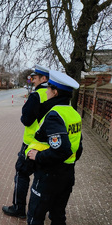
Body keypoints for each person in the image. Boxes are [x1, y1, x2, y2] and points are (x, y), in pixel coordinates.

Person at [25, 70, 83, 225]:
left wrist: (38, 156)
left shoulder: (54, 115)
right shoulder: (73, 113)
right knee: (58, 216)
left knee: (35, 215)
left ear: (55, 92)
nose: (47, 91)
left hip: (49, 175)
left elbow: (61, 150)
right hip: (67, 174)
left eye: (49, 88)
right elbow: (79, 147)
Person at [2, 65, 50, 218]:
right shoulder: (56, 95)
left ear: (44, 79)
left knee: (22, 174)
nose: (32, 80)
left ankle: (19, 208)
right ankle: (41, 212)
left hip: (31, 144)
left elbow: (26, 120)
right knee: (41, 178)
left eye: (35, 78)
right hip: (49, 146)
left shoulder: (37, 95)